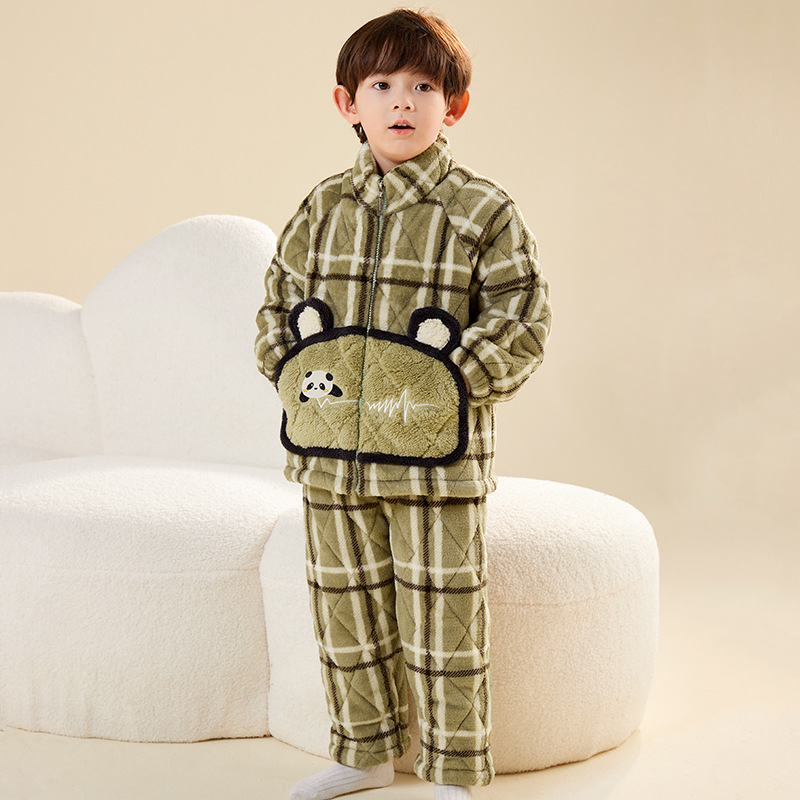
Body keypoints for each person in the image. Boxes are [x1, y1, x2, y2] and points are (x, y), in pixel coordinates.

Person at [255, 9, 551, 800]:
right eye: (382, 84)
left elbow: (522, 319)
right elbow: (276, 307)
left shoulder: (481, 211)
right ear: (347, 103)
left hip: (435, 465)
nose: (401, 101)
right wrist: (295, 378)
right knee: (345, 613)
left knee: (444, 621)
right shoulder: (322, 208)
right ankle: (365, 752)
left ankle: (453, 770)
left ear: (454, 105)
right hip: (331, 460)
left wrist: (438, 388)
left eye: (423, 86)